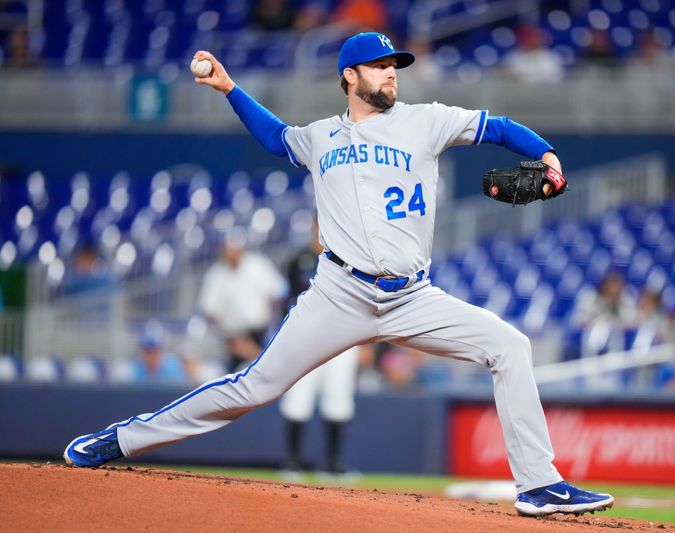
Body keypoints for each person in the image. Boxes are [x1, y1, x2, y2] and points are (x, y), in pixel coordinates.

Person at [63, 31, 613, 517]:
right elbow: (276, 136)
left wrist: (546, 154)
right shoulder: (320, 136)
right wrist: (231, 90)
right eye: (379, 66)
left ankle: (540, 485)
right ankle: (122, 440)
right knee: (254, 386)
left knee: (510, 346)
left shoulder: (427, 120)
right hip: (339, 293)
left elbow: (497, 127)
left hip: (413, 297)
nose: (391, 72)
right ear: (350, 76)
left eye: (394, 65)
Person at [279, 219, 361, 476]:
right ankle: (293, 462)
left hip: (342, 337)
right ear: (314, 225)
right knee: (298, 398)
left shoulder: (351, 256)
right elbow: (286, 302)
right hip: (306, 337)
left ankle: (333, 464)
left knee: (338, 398)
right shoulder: (298, 260)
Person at [198, 229, 288, 372]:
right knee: (238, 376)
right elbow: (209, 309)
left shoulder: (258, 265)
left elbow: (278, 292)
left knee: (265, 371)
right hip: (233, 338)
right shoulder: (216, 274)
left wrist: (273, 322)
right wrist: (231, 336)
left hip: (262, 332)